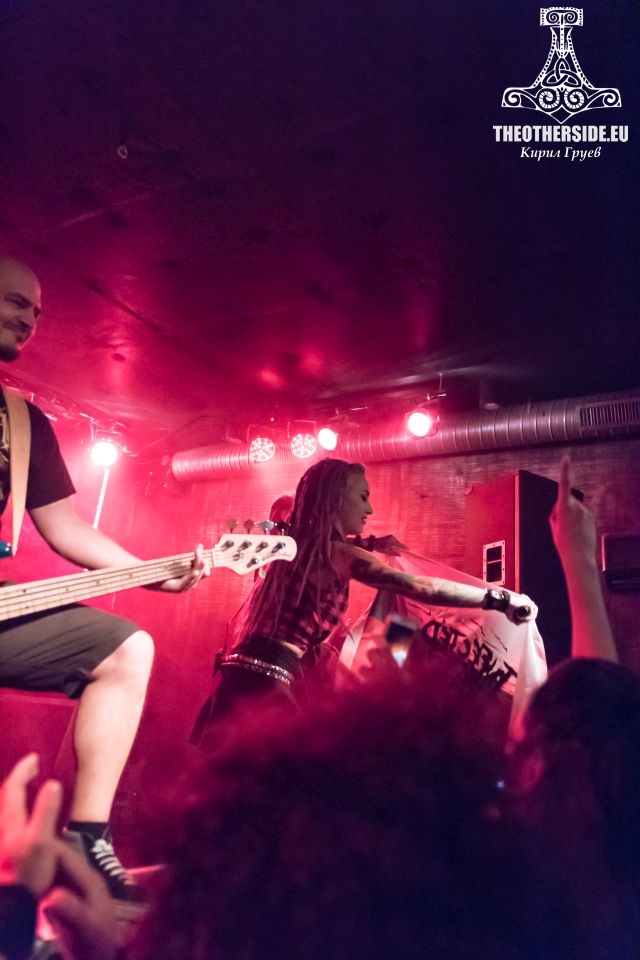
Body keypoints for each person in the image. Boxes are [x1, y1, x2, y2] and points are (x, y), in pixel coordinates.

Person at [0, 256, 210, 901]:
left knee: (126, 649)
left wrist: (154, 574)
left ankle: (86, 841)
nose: (30, 319)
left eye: (37, 310)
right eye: (15, 301)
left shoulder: (22, 421)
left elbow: (66, 528)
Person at [194, 457, 536, 738]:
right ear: (335, 500)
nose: (369, 508)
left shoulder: (291, 547)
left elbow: (322, 542)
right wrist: (498, 599)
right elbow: (423, 588)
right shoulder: (341, 555)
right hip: (268, 684)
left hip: (235, 677)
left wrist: (372, 544)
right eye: (362, 496)